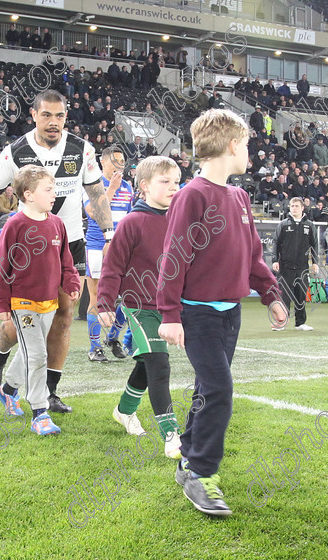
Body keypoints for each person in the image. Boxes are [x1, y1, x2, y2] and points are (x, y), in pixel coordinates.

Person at [157, 109, 286, 517]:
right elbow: (173, 258)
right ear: (232, 146)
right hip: (197, 316)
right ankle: (201, 474)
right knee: (219, 391)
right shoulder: (191, 195)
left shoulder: (240, 196)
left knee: (206, 390)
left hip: (231, 314)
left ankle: (188, 457)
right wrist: (170, 314)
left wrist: (271, 293)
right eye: (246, 144)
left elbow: (253, 256)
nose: (249, 152)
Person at [0, 90, 113, 412]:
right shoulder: (15, 152)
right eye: (47, 115)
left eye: (60, 116)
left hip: (69, 242)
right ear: (33, 115)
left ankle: (49, 391)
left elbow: (97, 193)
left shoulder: (81, 149)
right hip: (28, 247)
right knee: (20, 320)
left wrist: (109, 232)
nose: (54, 122)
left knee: (63, 317)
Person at [97, 155, 184, 459]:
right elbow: (112, 266)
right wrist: (105, 301)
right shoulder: (132, 222)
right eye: (165, 181)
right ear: (145, 186)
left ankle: (124, 411)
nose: (173, 187)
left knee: (148, 363)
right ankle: (172, 436)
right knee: (160, 365)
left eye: (176, 181)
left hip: (170, 307)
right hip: (139, 305)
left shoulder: (179, 220)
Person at [0, 165, 81, 435]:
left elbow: (66, 261)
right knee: (38, 354)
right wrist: (0, 303)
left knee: (29, 352)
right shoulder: (15, 225)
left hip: (49, 302)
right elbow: (0, 266)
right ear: (28, 195)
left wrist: (72, 282)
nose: (54, 194)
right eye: (48, 190)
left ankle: (6, 391)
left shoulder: (57, 224)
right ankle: (39, 413)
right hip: (22, 303)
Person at [84, 147, 134, 362]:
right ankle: (94, 347)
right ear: (102, 162)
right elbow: (94, 213)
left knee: (129, 296)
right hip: (97, 245)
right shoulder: (93, 186)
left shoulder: (128, 187)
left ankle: (113, 337)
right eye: (115, 161)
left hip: (123, 248)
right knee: (95, 297)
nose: (119, 165)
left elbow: (132, 218)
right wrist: (110, 189)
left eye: (122, 161)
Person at [273, 197, 319, 331]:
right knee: (284, 296)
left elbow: (314, 245)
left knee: (300, 295)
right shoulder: (283, 224)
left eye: (296, 206)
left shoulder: (309, 225)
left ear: (302, 208)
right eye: (292, 206)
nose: (294, 208)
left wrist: (315, 263)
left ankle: (300, 323)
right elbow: (276, 243)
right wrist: (275, 260)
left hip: (302, 267)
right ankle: (281, 322)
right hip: (285, 266)